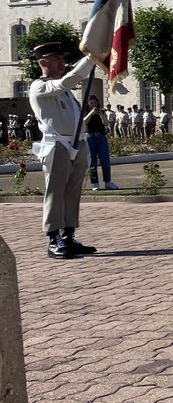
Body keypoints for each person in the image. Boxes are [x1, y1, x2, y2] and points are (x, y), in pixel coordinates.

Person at [28, 41, 98, 260]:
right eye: (57, 58)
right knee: (55, 191)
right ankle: (53, 238)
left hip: (75, 143)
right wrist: (91, 58)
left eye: (61, 57)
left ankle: (68, 235)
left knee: (72, 192)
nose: (62, 62)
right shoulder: (40, 86)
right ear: (43, 62)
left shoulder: (64, 89)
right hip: (56, 144)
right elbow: (67, 82)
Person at [83, 95, 119, 192]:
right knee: (92, 162)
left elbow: (106, 123)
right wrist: (91, 113)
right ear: (88, 104)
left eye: (95, 103)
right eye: (91, 103)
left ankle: (108, 182)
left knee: (105, 161)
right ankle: (95, 183)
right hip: (90, 137)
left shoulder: (101, 112)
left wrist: (102, 115)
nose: (93, 105)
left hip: (101, 137)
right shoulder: (86, 112)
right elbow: (84, 122)